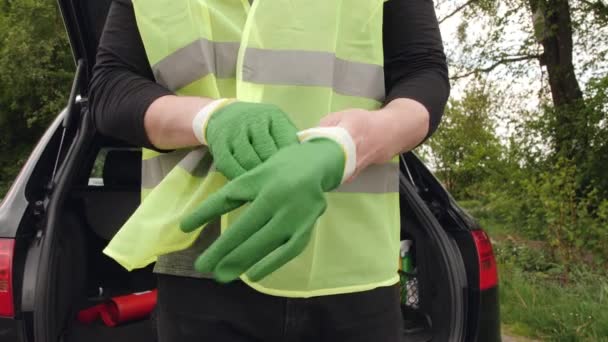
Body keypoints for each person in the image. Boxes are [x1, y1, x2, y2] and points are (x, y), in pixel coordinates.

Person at [89, 0, 450, 341]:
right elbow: (111, 86)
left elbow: (423, 73)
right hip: (202, 261)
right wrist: (209, 118)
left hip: (349, 268)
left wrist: (349, 145)